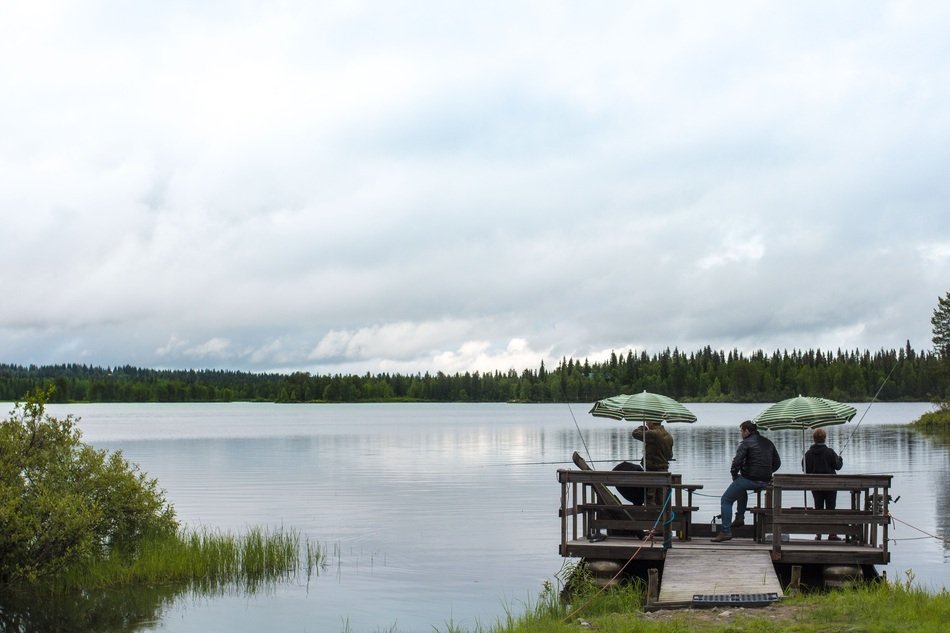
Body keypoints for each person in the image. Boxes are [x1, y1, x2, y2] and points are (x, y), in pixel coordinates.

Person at [711, 420, 781, 542]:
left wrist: (734, 475)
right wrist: (766, 473)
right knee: (739, 487)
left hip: (749, 479)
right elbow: (777, 463)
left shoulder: (746, 443)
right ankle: (739, 517)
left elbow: (736, 462)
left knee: (726, 499)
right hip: (765, 481)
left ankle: (726, 532)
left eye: (741, 431)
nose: (740, 433)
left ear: (747, 431)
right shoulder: (768, 443)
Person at [803, 427, 844, 541]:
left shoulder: (808, 454)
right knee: (831, 508)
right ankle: (832, 534)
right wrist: (840, 459)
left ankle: (818, 533)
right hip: (831, 486)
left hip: (815, 486)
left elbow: (805, 469)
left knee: (818, 508)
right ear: (824, 439)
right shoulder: (830, 452)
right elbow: (838, 466)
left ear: (814, 439)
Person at [631, 420, 674, 506]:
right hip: (664, 471)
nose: (646, 423)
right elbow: (670, 456)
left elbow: (635, 433)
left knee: (650, 498)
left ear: (652, 422)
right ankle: (662, 517)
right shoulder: (669, 436)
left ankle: (651, 517)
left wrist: (642, 427)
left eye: (647, 422)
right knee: (661, 498)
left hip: (652, 471)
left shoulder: (653, 434)